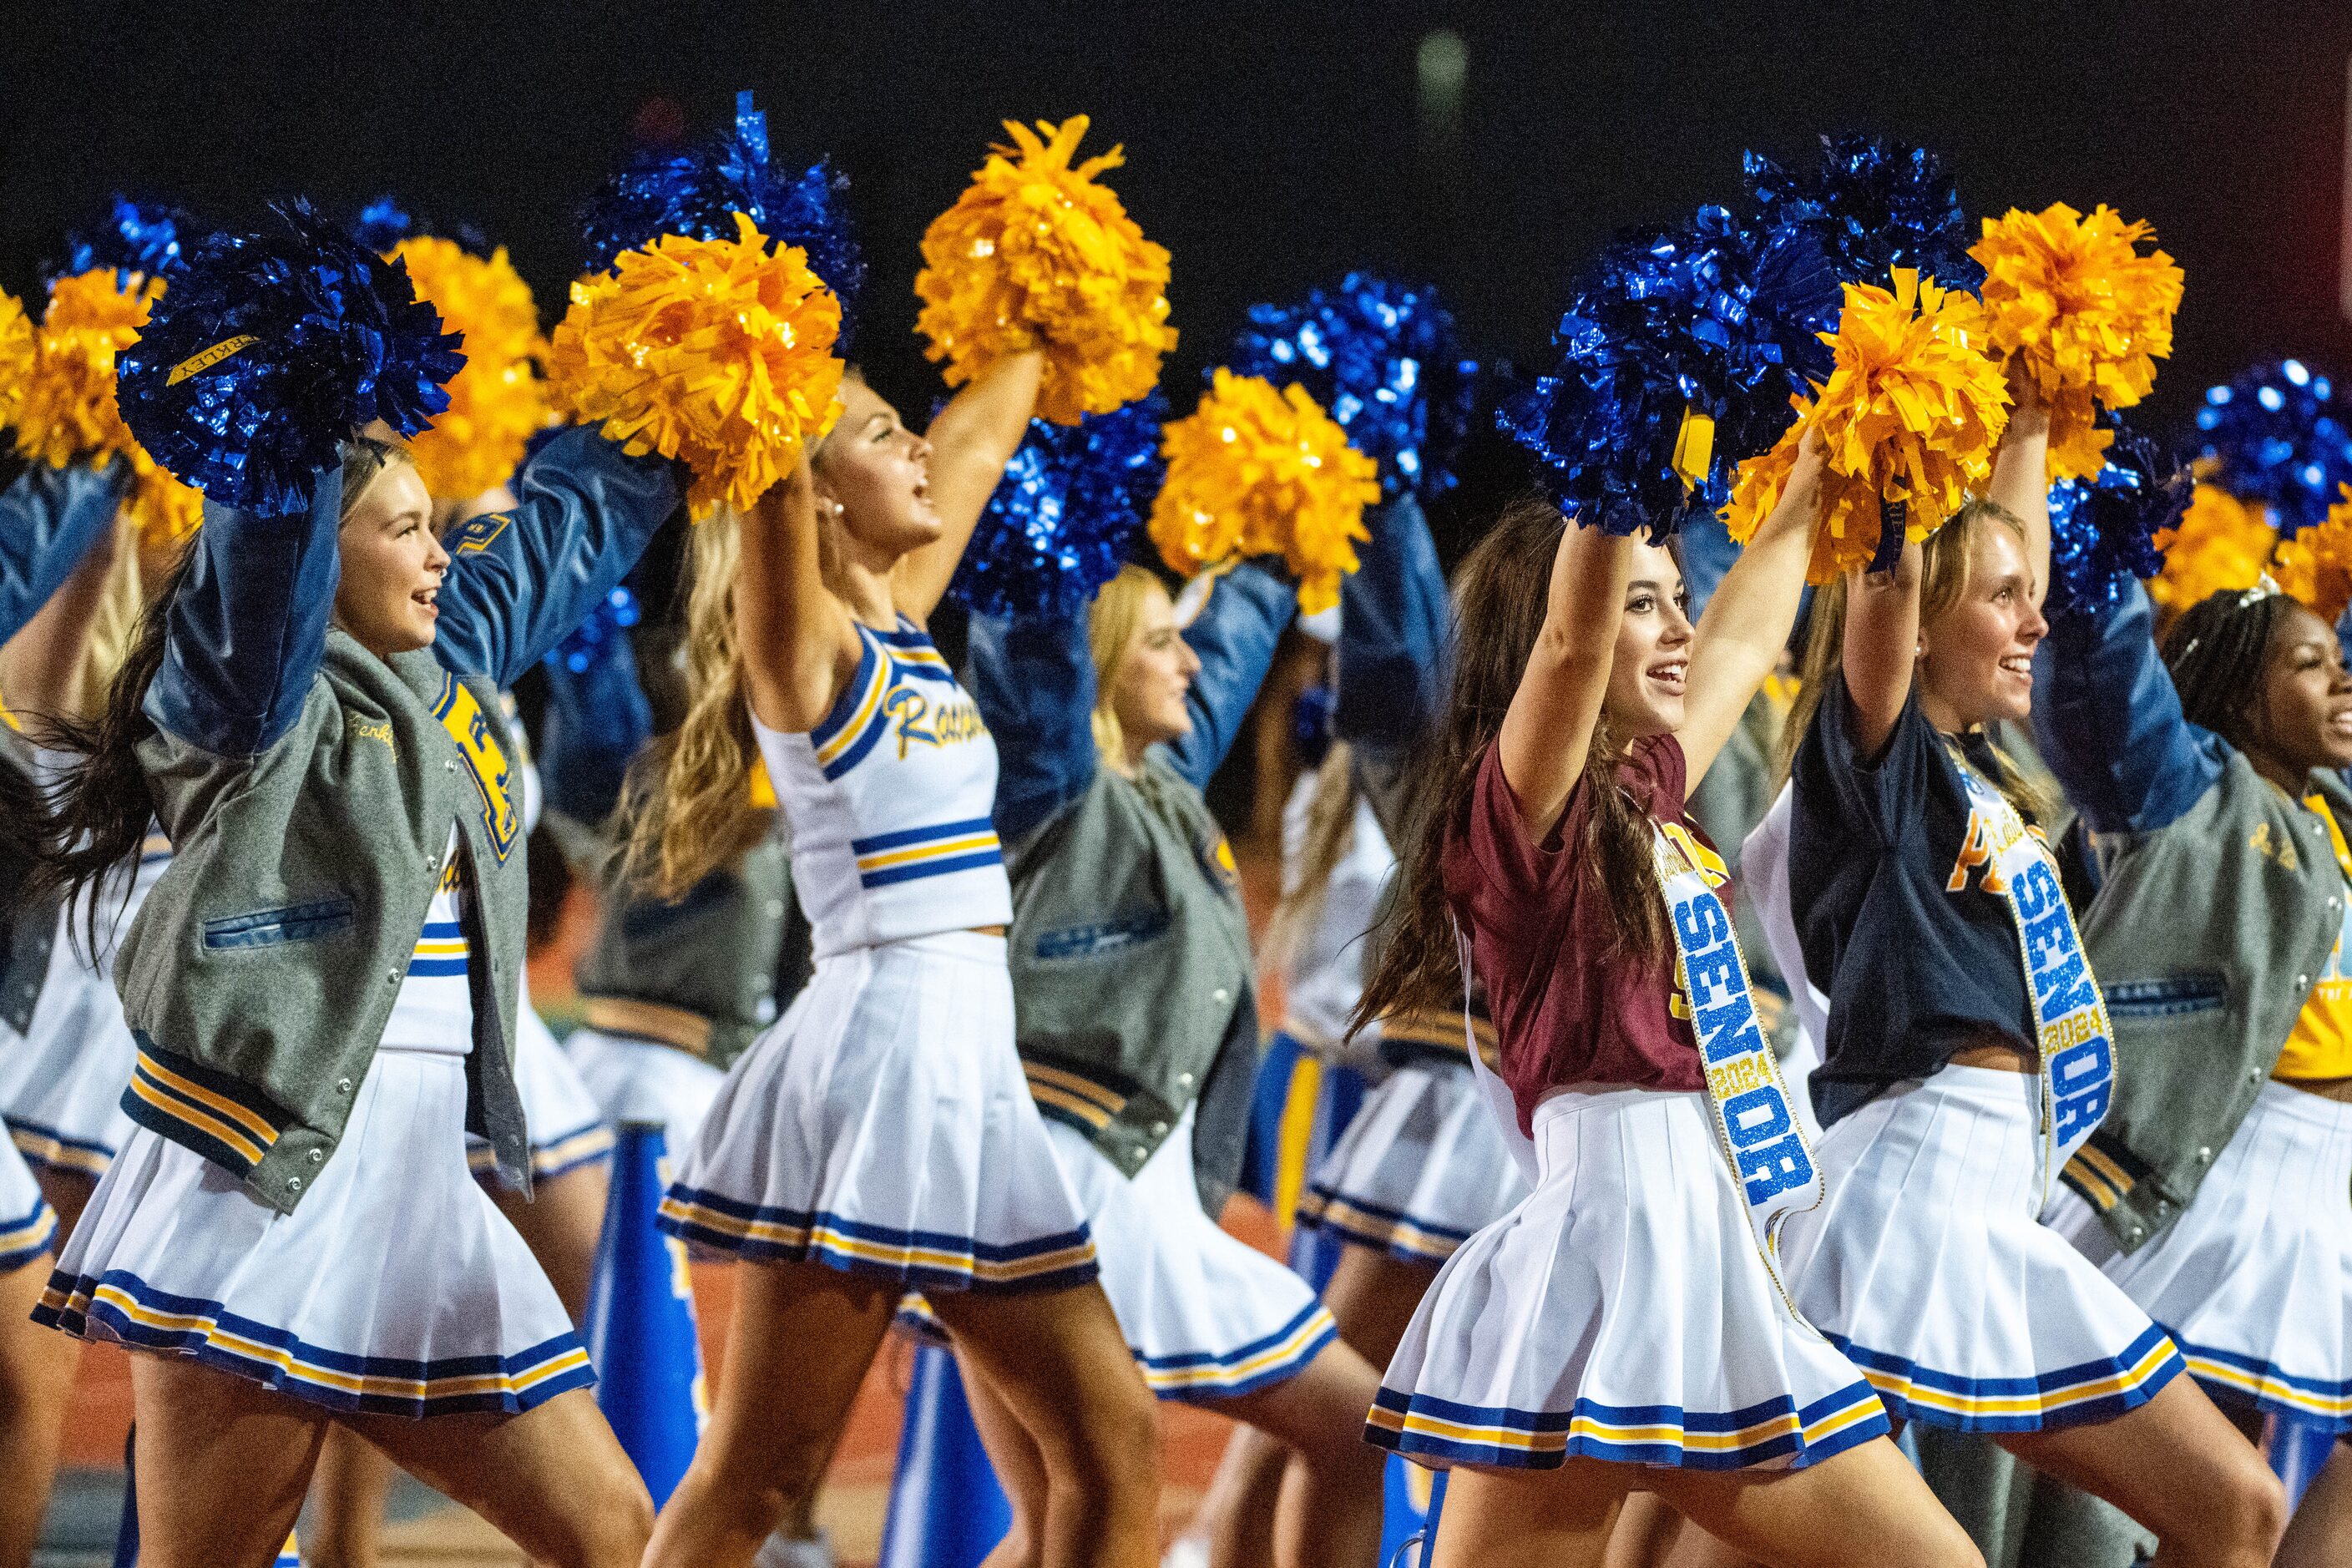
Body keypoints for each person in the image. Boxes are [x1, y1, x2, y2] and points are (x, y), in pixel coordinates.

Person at [33, 425, 680, 1568]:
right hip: (258, 1195)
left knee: (615, 1529)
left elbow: (562, 539)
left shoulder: (452, 658)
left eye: (438, 526)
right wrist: (292, 424)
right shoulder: (246, 696)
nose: (440, 554)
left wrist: (668, 417)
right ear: (319, 557)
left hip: (422, 1191)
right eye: (407, 528)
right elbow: (264, 564)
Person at [1353, 432, 1978, 1568]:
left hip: (1709, 1232)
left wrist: (1813, 487)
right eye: (1648, 605)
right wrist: (1621, 446)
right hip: (1609, 1236)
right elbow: (1568, 637)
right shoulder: (1519, 810)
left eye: (1674, 597)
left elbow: (1741, 631)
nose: (1680, 629)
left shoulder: (1643, 789)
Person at [636, 357, 1162, 1568]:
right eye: (882, 437)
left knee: (1111, 1442)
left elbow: (974, 444)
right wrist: (756, 345)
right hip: (881, 1063)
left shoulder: (902, 621)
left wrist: (1041, 305)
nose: (919, 451)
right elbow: (766, 494)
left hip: (967, 1066)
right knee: (756, 1474)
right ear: (815, 492)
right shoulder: (805, 647)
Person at [1770, 384, 2288, 1568]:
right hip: (1908, 1198)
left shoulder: (1984, 778)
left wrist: (2030, 421)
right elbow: (1893, 581)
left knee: (2234, 1509)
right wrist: (1893, 417)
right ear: (1922, 615)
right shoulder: (1882, 765)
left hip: (1993, 1201)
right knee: (2231, 1507)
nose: (2032, 625)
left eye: (2033, 598)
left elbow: (2006, 555)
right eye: (2002, 600)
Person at [964, 514, 1409, 1567]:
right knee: (1094, 1510)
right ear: (1098, 665)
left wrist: (1292, 501)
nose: (1188, 659)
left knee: (1062, 1525)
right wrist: (1037, 504)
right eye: (1159, 640)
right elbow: (1029, 650)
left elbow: (1241, 629)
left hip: (1131, 1192)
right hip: (1069, 1196)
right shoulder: (1049, 790)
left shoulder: (1161, 785)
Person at [2031, 572, 2352, 1567]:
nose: (2343, 684)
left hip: (2321, 1192)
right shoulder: (2190, 792)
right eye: (2309, 666)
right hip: (2201, 1184)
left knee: (2226, 1496)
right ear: (2230, 691)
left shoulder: (2335, 812)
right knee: (2198, 1488)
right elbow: (2101, 689)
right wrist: (2097, 547)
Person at [0, 456, 128, 1568]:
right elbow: (37, 682)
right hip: (56, 1058)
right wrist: (98, 503)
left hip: (166, 1062)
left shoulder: (241, 703)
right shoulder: (67, 726)